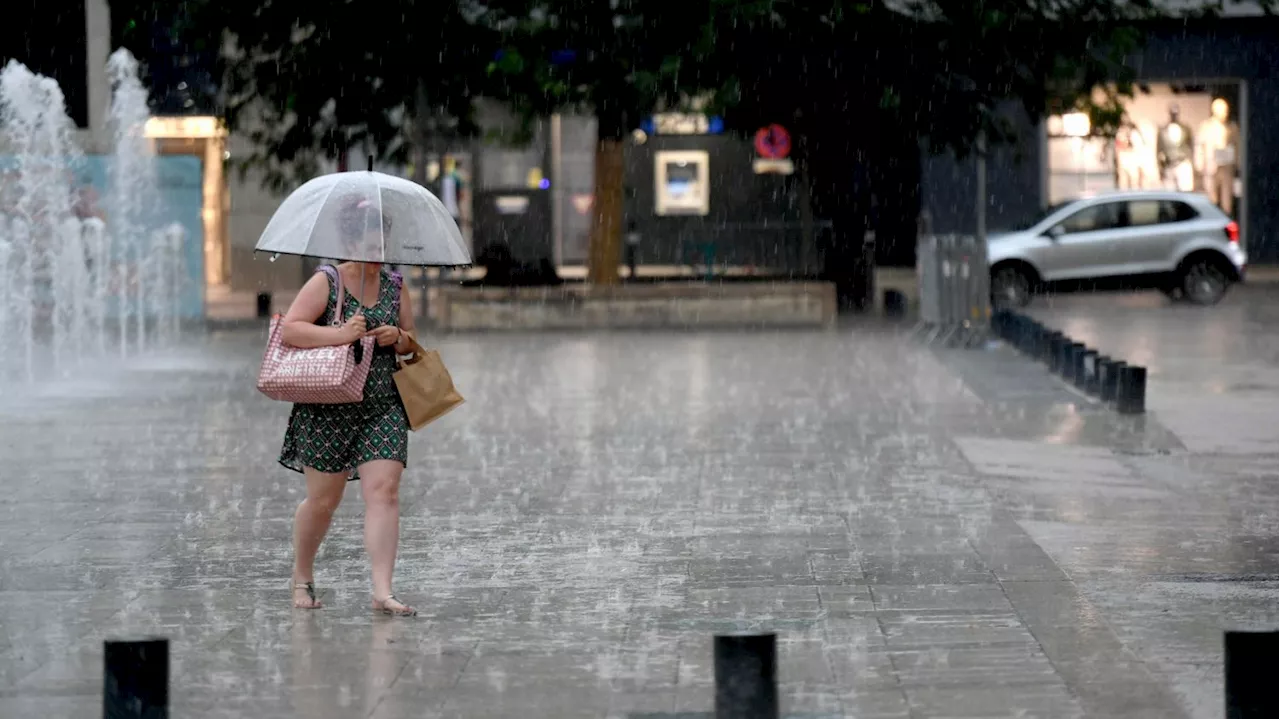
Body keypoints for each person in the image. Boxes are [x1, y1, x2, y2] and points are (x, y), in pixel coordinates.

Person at [277, 196, 418, 616]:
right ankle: (302, 575)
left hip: (383, 403)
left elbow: (413, 342)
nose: (377, 251)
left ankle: (382, 590)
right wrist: (341, 334)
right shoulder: (328, 281)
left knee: (385, 491)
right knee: (323, 501)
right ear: (350, 241)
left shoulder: (395, 286)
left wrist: (400, 337)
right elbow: (291, 331)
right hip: (329, 404)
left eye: (382, 242)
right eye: (369, 242)